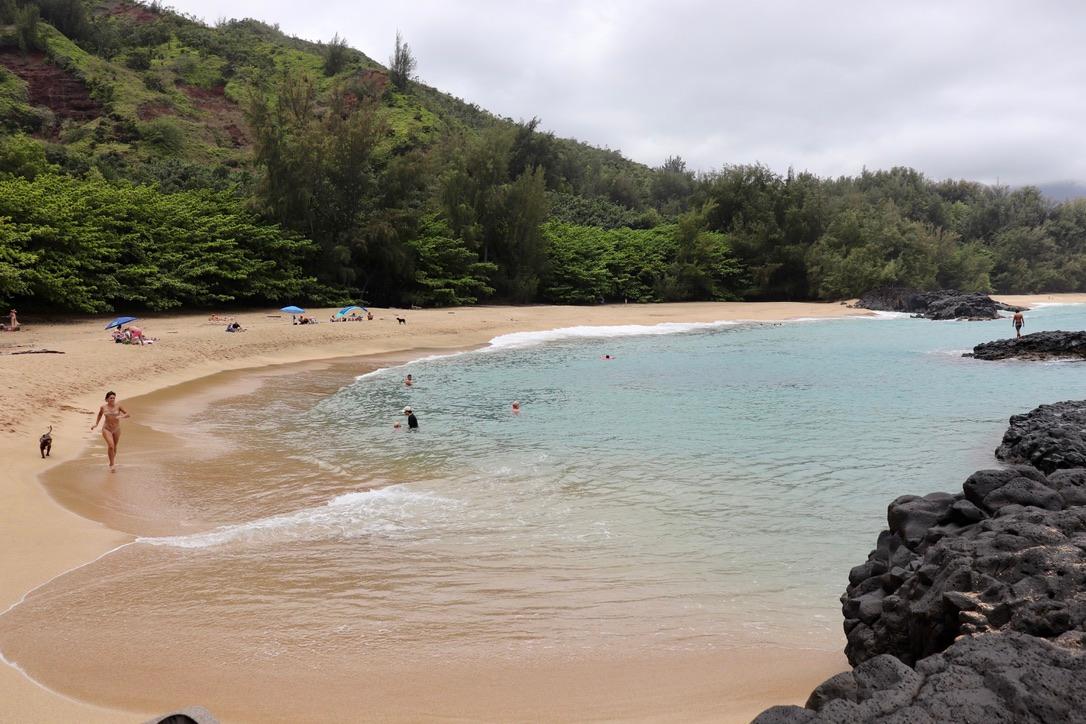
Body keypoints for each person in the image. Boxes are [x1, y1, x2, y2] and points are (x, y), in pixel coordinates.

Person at [91, 391, 130, 472]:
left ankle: (111, 462)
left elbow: (128, 414)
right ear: (107, 399)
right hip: (106, 429)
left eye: (113, 398)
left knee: (114, 447)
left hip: (116, 429)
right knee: (111, 446)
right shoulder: (103, 407)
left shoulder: (119, 406)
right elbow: (99, 415)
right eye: (111, 398)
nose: (112, 399)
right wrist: (96, 424)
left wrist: (121, 416)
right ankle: (112, 465)